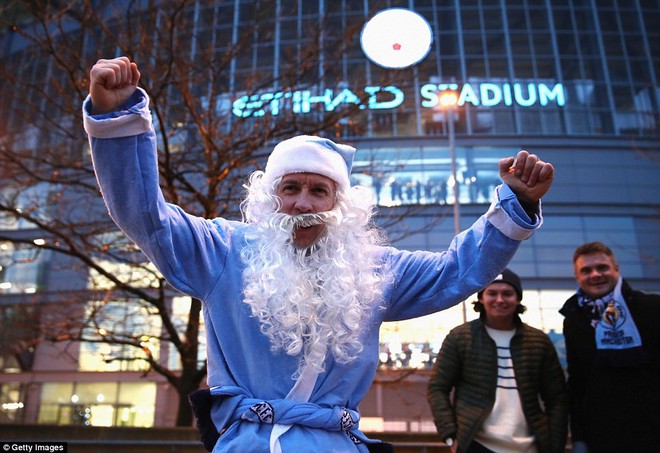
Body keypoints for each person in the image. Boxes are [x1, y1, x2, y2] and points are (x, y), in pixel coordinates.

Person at [83, 56, 554, 453]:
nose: (304, 204)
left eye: (318, 190)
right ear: (271, 197)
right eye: (291, 188)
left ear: (339, 203)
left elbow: (457, 269)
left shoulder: (375, 270)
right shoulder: (223, 249)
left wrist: (517, 203)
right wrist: (118, 118)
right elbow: (147, 216)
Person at [427, 269, 568, 453]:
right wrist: (450, 436)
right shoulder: (460, 337)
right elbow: (437, 387)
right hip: (476, 445)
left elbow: (556, 397)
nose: (500, 300)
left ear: (517, 299)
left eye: (507, 293)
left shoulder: (538, 341)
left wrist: (555, 445)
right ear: (481, 298)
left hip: (531, 446)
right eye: (492, 293)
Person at [559, 242, 660, 453]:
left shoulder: (651, 308)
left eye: (602, 267)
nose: (595, 274)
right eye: (586, 270)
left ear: (616, 269)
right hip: (602, 438)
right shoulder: (574, 320)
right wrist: (579, 438)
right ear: (577, 277)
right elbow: (578, 383)